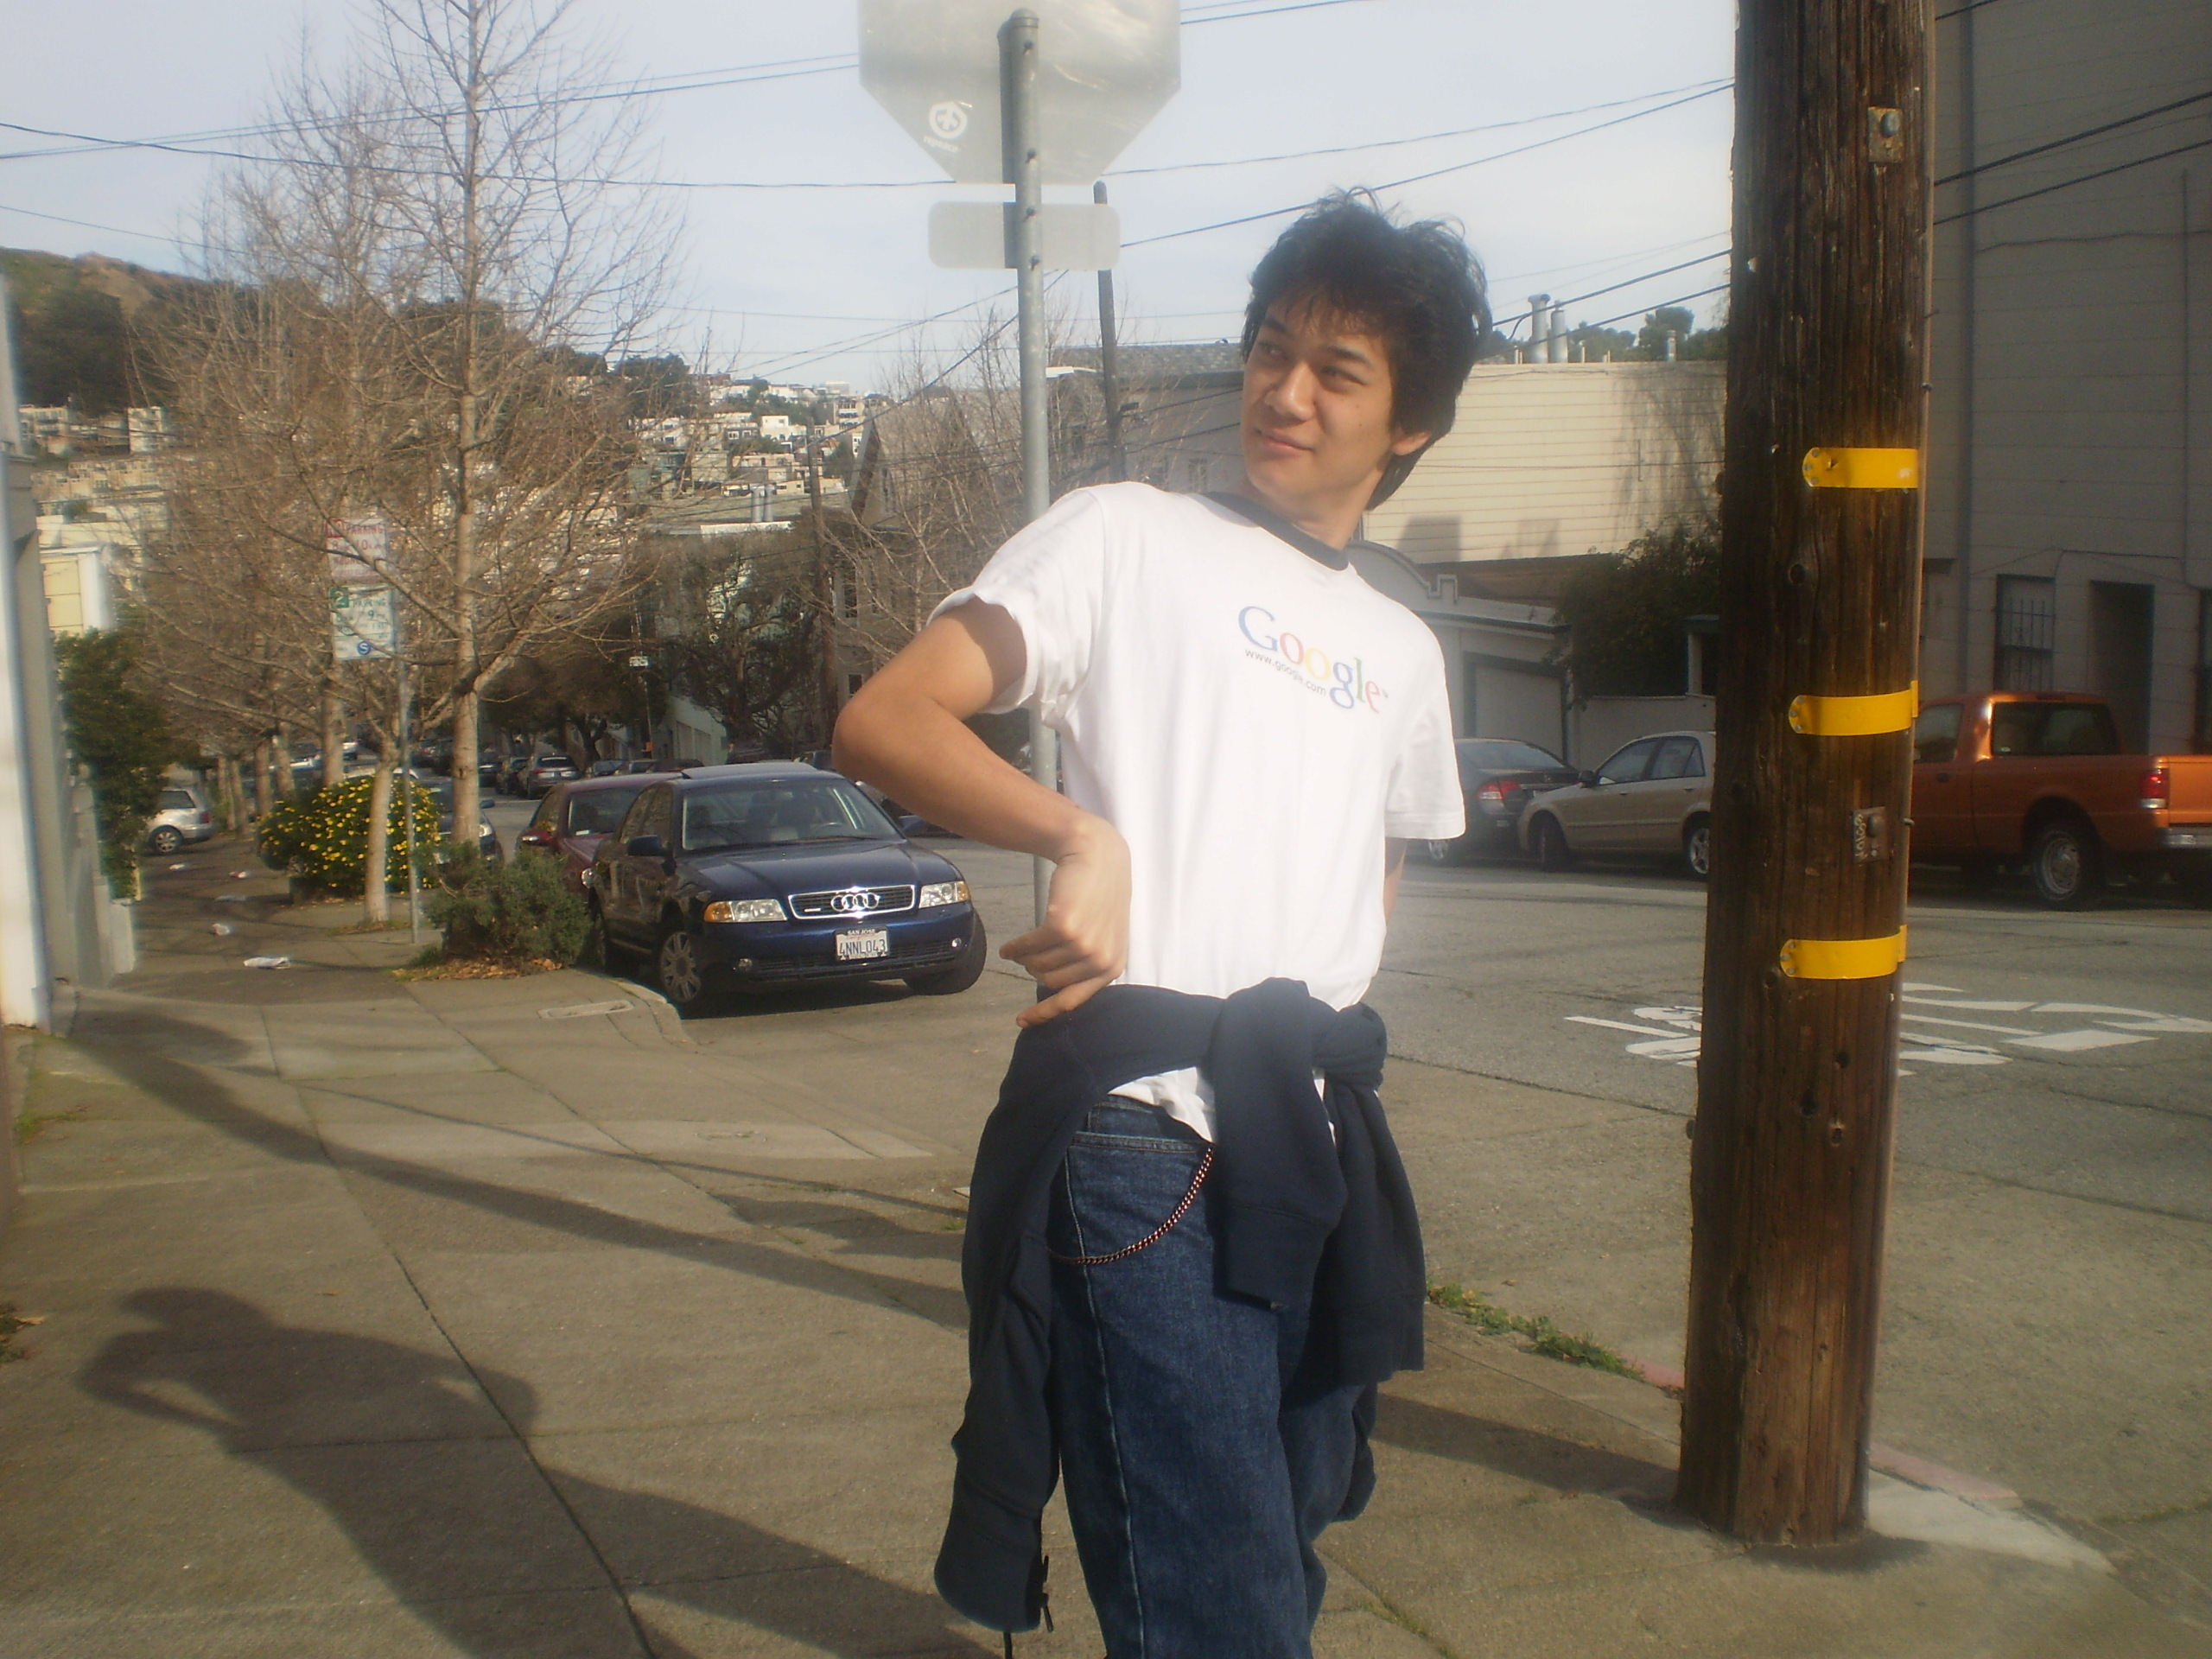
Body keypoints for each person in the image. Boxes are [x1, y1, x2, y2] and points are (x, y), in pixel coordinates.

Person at [832, 194, 1488, 1657]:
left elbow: (1369, 877)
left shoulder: (1402, 648)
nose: (1285, 391)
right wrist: (1083, 836)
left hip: (1308, 1138)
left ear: (1412, 427)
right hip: (1142, 1131)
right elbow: (886, 718)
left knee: (1294, 1535)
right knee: (1219, 1598)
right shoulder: (1123, 536)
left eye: (1337, 370)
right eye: (1271, 349)